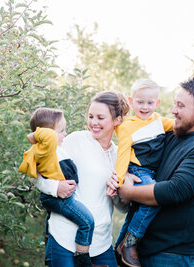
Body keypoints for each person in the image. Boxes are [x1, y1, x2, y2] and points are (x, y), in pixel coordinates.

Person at [108, 77, 194, 267]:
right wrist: (126, 175)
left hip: (172, 254)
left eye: (180, 106)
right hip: (143, 250)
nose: (173, 111)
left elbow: (174, 190)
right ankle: (125, 244)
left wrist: (127, 190)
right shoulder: (176, 134)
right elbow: (136, 150)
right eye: (174, 104)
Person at [31, 92, 130, 267]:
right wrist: (56, 188)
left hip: (101, 242)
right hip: (64, 238)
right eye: (91, 116)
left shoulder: (119, 155)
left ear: (117, 120)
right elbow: (39, 174)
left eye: (100, 117)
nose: (93, 122)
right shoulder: (75, 140)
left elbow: (123, 208)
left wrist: (115, 193)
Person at [108, 79, 173, 267]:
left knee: (136, 210)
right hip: (139, 170)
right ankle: (130, 243)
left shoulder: (160, 121)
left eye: (150, 102)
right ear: (131, 101)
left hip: (152, 172)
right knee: (153, 199)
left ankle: (118, 248)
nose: (145, 107)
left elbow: (179, 125)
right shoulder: (128, 126)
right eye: (140, 102)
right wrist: (119, 179)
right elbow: (122, 154)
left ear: (157, 103)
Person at [19, 108, 96, 266]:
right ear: (48, 135)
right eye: (61, 131)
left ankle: (51, 254)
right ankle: (82, 259)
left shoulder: (55, 149)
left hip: (62, 198)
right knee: (87, 222)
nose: (65, 134)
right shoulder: (46, 149)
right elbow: (46, 137)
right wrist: (35, 135)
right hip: (60, 198)